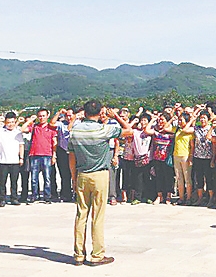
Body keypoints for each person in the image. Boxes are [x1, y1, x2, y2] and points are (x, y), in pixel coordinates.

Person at [68, 100, 134, 266]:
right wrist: (116, 116)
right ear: (99, 113)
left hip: (82, 174)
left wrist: (74, 178)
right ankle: (97, 254)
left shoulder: (75, 130)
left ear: (85, 112)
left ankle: (78, 254)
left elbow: (72, 157)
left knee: (81, 215)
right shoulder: (104, 129)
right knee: (97, 217)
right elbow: (129, 130)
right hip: (100, 175)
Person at [21, 108, 58, 203]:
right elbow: (22, 129)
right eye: (40, 116)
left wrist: (54, 155)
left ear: (47, 116)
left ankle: (47, 196)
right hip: (34, 155)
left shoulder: (51, 128)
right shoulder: (34, 126)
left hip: (47, 154)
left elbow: (54, 142)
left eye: (43, 116)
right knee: (34, 178)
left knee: (47, 178)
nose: (41, 118)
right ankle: (34, 195)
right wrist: (30, 120)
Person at [0, 112, 24, 207]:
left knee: (14, 182)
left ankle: (14, 198)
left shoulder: (18, 132)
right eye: (8, 122)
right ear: (5, 122)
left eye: (12, 122)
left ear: (15, 121)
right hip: (3, 161)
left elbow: (21, 145)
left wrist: (21, 158)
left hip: (15, 161)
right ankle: (2, 199)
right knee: (2, 182)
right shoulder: (1, 132)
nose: (10, 124)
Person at [173, 111, 196, 205]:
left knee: (187, 178)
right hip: (176, 155)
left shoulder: (190, 132)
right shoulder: (177, 130)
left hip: (185, 156)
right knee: (179, 178)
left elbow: (192, 146)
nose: (179, 122)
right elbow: (166, 127)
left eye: (181, 120)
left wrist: (190, 158)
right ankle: (181, 198)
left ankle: (189, 198)